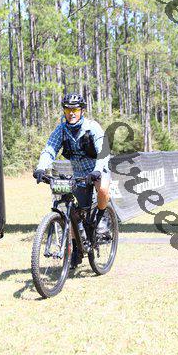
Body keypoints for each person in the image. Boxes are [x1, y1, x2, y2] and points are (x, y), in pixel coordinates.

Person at [33, 92, 111, 266]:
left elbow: (103, 151)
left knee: (103, 188)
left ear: (82, 111)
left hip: (98, 168)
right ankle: (76, 247)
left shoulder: (92, 127)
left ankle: (102, 219)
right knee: (72, 210)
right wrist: (41, 167)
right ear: (64, 111)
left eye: (75, 110)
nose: (71, 113)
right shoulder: (61, 129)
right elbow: (50, 149)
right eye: (68, 110)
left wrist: (97, 170)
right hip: (78, 174)